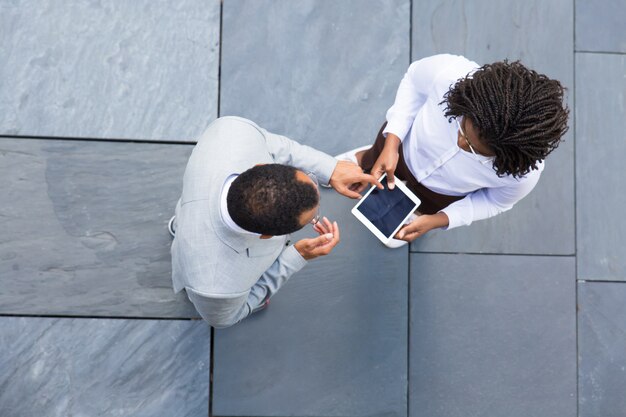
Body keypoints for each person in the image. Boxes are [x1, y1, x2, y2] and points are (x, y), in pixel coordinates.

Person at [337, 54, 569, 247]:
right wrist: (392, 142)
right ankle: (359, 160)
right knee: (372, 158)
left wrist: (438, 220)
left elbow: (495, 202)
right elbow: (413, 81)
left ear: (507, 157)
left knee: (414, 212)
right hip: (400, 147)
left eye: (474, 150)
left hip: (437, 197)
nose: (460, 143)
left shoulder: (523, 174)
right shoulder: (450, 73)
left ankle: (413, 214)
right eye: (462, 129)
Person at [169, 116, 382, 328]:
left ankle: (181, 226)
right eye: (310, 219)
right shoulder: (216, 288)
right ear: (266, 236)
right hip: (203, 266)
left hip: (192, 205)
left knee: (186, 221)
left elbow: (280, 147)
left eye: (313, 181)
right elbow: (227, 317)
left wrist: (331, 169)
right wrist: (297, 257)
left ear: (261, 165)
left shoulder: (232, 131)